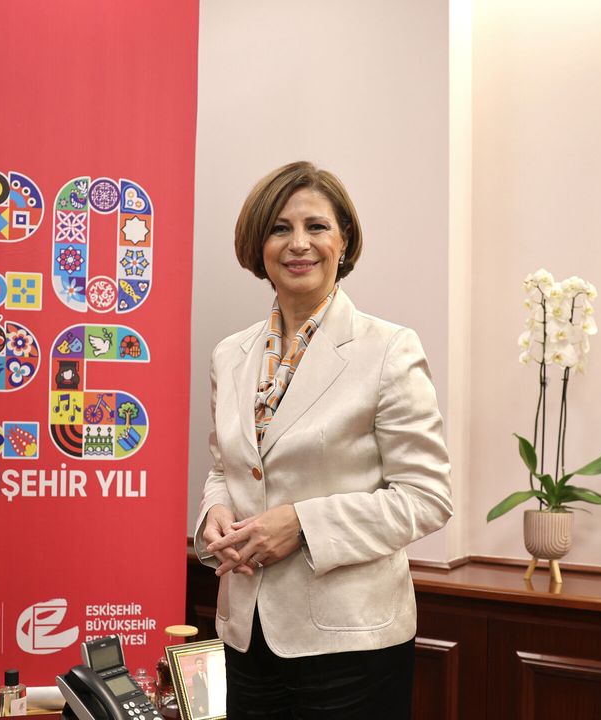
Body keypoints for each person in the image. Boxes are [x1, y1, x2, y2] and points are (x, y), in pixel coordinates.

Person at [193, 161, 452, 718]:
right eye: (279, 228)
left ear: (344, 240)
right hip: (245, 636)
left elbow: (427, 498)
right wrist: (214, 511)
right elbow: (225, 468)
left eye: (316, 226)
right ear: (258, 245)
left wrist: (303, 524)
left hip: (352, 646)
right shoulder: (230, 355)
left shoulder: (389, 349)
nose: (298, 244)